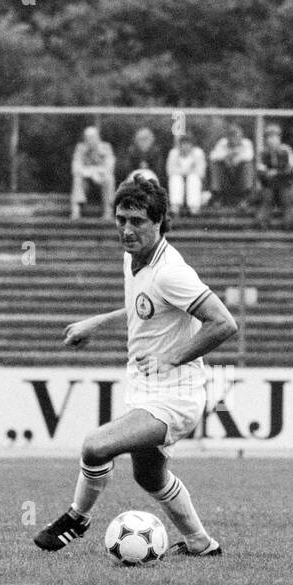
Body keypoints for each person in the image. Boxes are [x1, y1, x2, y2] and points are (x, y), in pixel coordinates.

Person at [34, 175, 238, 557]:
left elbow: (224, 322)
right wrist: (97, 321)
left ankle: (77, 517)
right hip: (146, 386)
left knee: (96, 447)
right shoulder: (134, 258)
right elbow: (147, 303)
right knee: (149, 475)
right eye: (121, 219)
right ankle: (200, 543)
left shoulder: (171, 271)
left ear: (158, 222)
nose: (127, 230)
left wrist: (172, 357)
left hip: (175, 395)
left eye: (137, 221)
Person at [255, 123, 293, 230]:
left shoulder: (286, 150)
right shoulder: (262, 153)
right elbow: (260, 171)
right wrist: (269, 174)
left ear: (279, 138)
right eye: (269, 137)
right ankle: (261, 222)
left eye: (274, 136)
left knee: (286, 200)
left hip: (283, 184)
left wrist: (277, 173)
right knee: (267, 199)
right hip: (269, 185)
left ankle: (288, 224)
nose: (272, 140)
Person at [70, 126, 116, 220]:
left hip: (101, 179)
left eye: (92, 137)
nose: (90, 140)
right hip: (86, 180)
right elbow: (76, 167)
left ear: (98, 137)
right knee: (77, 178)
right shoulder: (80, 148)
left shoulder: (106, 147)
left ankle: (108, 211)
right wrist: (91, 173)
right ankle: (76, 211)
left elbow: (110, 166)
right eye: (88, 137)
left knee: (109, 178)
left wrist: (97, 172)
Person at [208, 123, 255, 208]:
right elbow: (213, 156)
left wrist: (237, 158)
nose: (234, 138)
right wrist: (226, 157)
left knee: (247, 165)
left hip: (239, 175)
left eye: (236, 135)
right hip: (226, 175)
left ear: (241, 136)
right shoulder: (222, 143)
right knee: (216, 165)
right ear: (227, 137)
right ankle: (217, 196)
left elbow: (249, 156)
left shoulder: (246, 143)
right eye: (231, 135)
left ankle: (245, 198)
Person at [166, 134, 206, 217]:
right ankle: (175, 206)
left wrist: (185, 173)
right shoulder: (173, 153)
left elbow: (201, 172)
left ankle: (194, 207)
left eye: (187, 144)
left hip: (193, 180)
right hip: (179, 179)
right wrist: (187, 172)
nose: (185, 146)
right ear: (179, 145)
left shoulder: (198, 153)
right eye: (183, 144)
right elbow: (170, 171)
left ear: (192, 145)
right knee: (175, 178)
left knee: (193, 178)